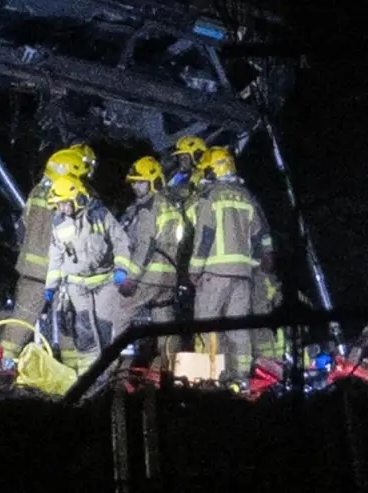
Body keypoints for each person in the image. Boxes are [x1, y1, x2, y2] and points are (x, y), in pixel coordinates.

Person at [186, 147, 274, 386]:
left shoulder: (210, 196)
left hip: (214, 273)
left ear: (214, 170)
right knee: (238, 330)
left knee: (206, 327)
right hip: (243, 275)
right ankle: (241, 379)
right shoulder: (246, 196)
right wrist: (261, 258)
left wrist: (194, 268)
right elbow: (260, 235)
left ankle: (205, 380)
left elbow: (204, 234)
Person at [0, 148, 89, 358]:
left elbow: (22, 226)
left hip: (30, 270)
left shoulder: (37, 192)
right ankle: (72, 373)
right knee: (66, 323)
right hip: (56, 272)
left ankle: (2, 365)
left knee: (21, 320)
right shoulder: (68, 196)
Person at [44, 175, 141, 374]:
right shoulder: (59, 223)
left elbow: (121, 242)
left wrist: (121, 269)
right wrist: (50, 287)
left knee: (105, 330)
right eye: (58, 204)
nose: (61, 208)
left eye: (64, 203)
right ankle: (88, 378)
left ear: (77, 197)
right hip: (76, 286)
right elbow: (55, 257)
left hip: (104, 283)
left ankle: (107, 376)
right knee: (84, 332)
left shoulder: (100, 215)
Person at [119, 156, 185, 370]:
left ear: (154, 181)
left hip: (149, 275)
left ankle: (110, 366)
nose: (136, 187)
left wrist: (131, 278)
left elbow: (144, 246)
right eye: (134, 182)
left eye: (141, 181)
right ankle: (169, 368)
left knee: (120, 312)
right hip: (168, 276)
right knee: (164, 322)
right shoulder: (168, 205)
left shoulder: (148, 208)